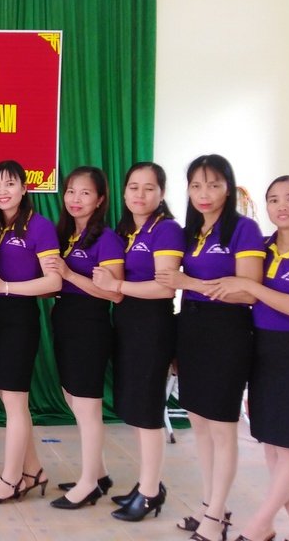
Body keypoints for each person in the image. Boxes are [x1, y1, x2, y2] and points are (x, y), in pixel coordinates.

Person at [204, 176, 289, 541]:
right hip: (262, 350)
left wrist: (250, 285)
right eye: (274, 199)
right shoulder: (261, 247)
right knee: (273, 445)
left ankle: (258, 526)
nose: (282, 206)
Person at [155, 154, 265, 541]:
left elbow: (248, 292)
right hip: (191, 328)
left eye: (214, 184)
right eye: (196, 185)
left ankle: (216, 517)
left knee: (222, 427)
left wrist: (190, 282)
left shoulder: (244, 229)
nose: (204, 193)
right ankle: (209, 506)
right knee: (199, 422)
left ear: (228, 188)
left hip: (227, 332)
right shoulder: (190, 231)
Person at [91, 162, 183, 521]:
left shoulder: (167, 229)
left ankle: (150, 493)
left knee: (148, 413)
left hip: (152, 326)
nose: (140, 195)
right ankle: (147, 482)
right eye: (133, 187)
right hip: (128, 325)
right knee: (136, 410)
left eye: (149, 188)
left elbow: (166, 286)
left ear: (162, 193)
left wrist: (116, 285)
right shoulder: (128, 230)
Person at [0, 160, 61, 503]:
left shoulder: (39, 226)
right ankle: (33, 470)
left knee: (15, 401)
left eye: (10, 184)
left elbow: (53, 282)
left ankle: (10, 480)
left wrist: (6, 287)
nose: (2, 191)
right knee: (7, 397)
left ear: (24, 189)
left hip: (19, 319)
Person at [44, 166, 125, 511]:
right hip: (65, 320)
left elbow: (114, 293)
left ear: (100, 199)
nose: (76, 199)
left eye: (85, 192)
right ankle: (100, 473)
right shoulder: (65, 234)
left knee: (88, 406)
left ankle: (89, 484)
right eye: (71, 191)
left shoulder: (106, 238)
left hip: (90, 325)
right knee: (73, 399)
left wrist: (68, 274)